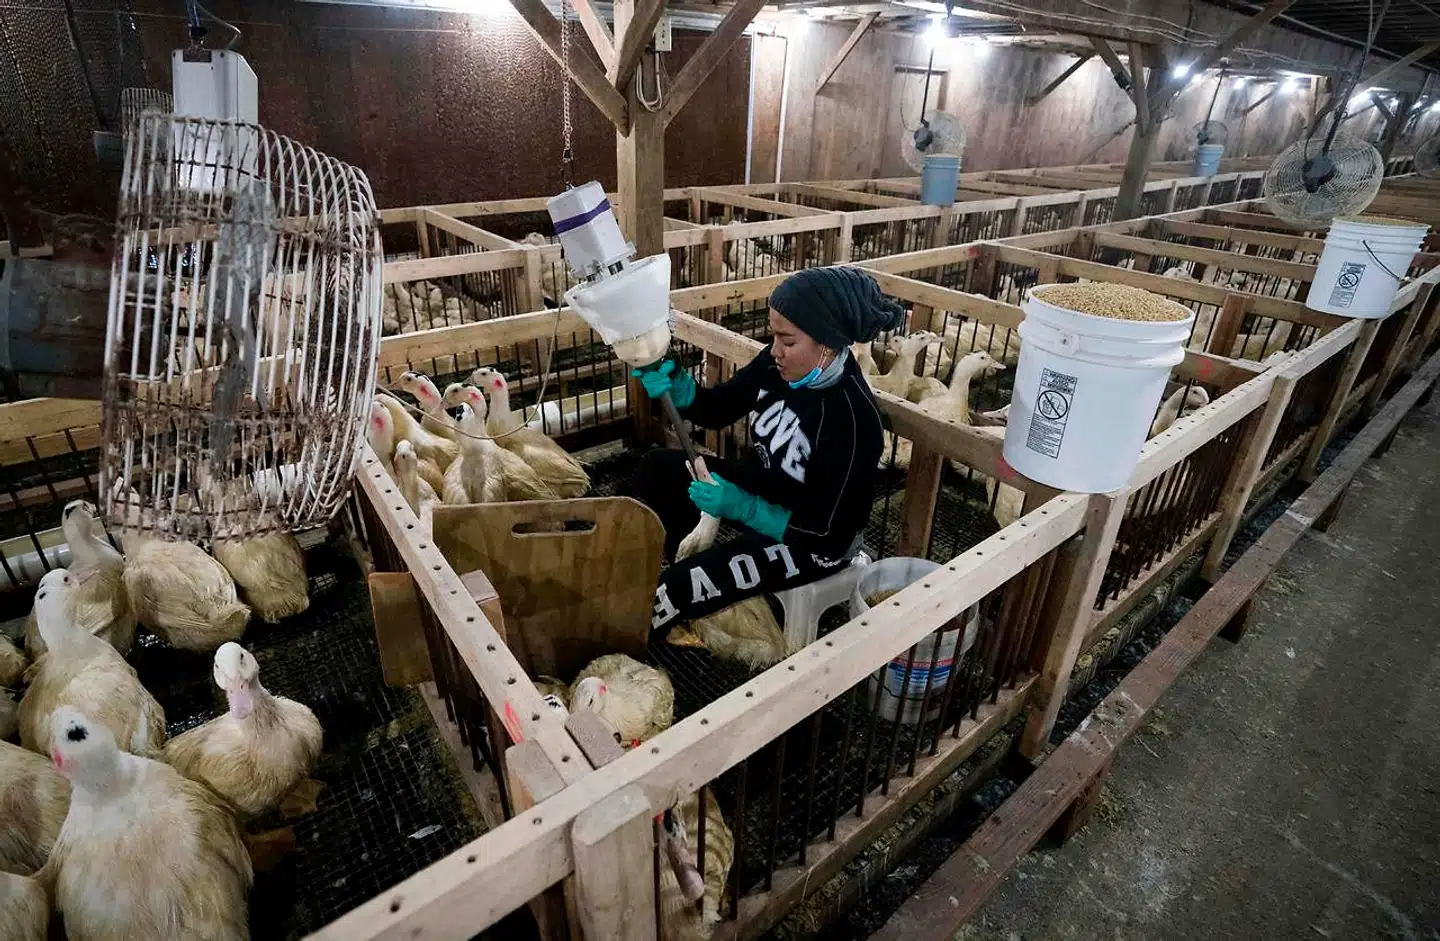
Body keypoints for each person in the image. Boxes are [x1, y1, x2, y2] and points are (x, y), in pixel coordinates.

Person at [625, 266, 903, 642]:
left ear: (827, 343)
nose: (775, 350)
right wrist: (677, 384)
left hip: (810, 539)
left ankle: (635, 623)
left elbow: (829, 535)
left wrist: (744, 508)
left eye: (788, 341)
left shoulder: (852, 421)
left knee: (679, 587)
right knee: (658, 468)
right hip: (769, 491)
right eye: (775, 336)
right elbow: (717, 408)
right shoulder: (776, 366)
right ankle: (675, 555)